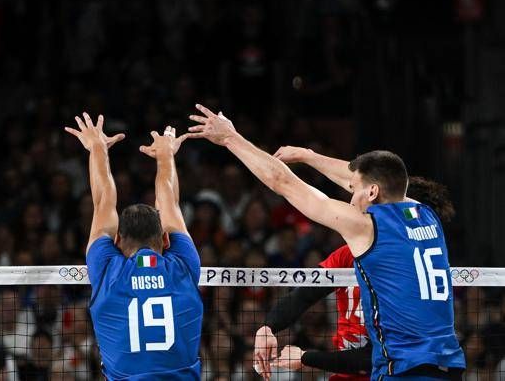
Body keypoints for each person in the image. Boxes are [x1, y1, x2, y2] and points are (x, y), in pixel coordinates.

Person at [187, 105, 465, 380]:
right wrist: (309, 157)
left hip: (405, 370)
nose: (350, 197)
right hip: (448, 365)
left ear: (372, 191)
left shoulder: (366, 226)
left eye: (353, 191)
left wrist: (230, 138)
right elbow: (367, 179)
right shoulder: (427, 216)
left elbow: (282, 181)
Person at [265, 176, 458, 380]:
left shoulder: (410, 281)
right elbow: (306, 294)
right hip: (347, 370)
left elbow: (372, 356)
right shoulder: (347, 255)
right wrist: (268, 327)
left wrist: (306, 358)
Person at [65, 113, 203, 379]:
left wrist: (97, 148)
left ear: (117, 240)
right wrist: (165, 156)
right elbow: (169, 201)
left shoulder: (107, 269)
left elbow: (103, 200)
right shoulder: (183, 266)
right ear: (165, 240)